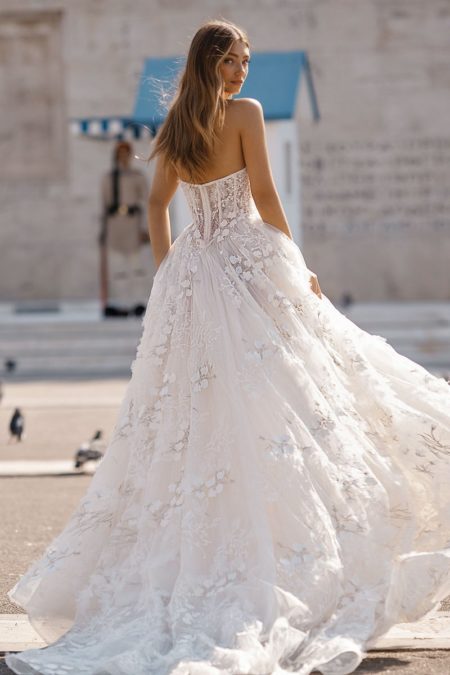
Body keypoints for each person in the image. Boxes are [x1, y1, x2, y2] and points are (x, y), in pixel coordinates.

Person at [6, 19, 450, 675]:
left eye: (245, 62)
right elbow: (265, 195)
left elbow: (161, 207)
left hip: (197, 275)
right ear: (211, 62)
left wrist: (172, 276)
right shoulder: (245, 114)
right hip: (244, 264)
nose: (242, 72)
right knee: (292, 394)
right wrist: (295, 266)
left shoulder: (176, 125)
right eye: (233, 61)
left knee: (228, 413)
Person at [99, 140, 155, 318]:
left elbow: (147, 203)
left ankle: (138, 301)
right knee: (118, 270)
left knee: (137, 267)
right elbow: (105, 205)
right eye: (120, 154)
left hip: (133, 224)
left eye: (126, 153)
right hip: (115, 226)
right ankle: (123, 303)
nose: (123, 157)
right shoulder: (109, 178)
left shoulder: (137, 177)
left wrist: (146, 228)